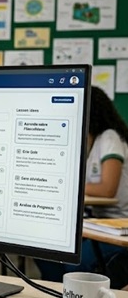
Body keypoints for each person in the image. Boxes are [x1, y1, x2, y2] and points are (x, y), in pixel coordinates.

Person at [37, 86, 127, 282]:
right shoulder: (90, 143)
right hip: (98, 223)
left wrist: (66, 186)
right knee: (45, 249)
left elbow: (107, 189)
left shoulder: (110, 137)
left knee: (75, 261)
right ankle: (56, 294)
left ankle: (70, 296)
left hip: (119, 226)